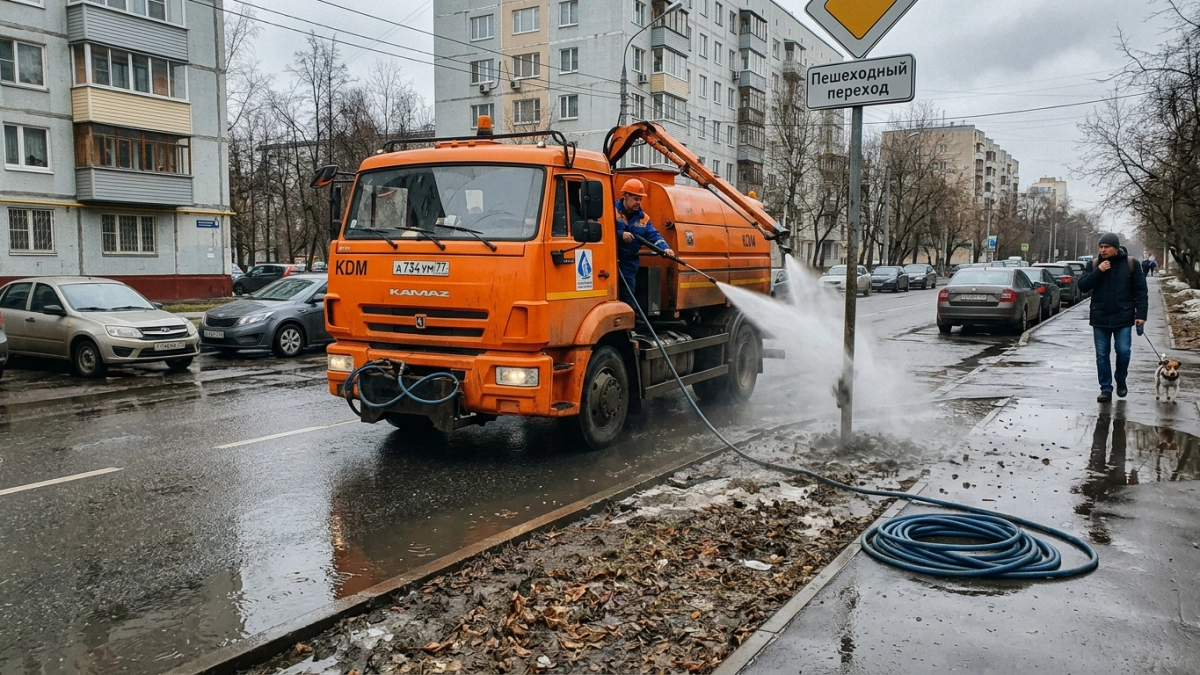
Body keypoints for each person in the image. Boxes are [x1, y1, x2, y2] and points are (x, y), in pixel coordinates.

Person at [1077, 233, 1148, 402]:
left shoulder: (1131, 264)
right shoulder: (1094, 264)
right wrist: (1098, 272)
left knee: (1123, 351)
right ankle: (1106, 389)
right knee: (1102, 354)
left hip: (1123, 315)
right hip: (1100, 316)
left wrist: (1141, 315)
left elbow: (1141, 292)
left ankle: (1121, 378)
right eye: (1101, 247)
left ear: (1116, 248)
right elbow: (1083, 286)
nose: (1103, 250)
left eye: (1106, 247)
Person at [614, 178, 674, 309]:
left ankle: (631, 320)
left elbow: (654, 235)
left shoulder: (644, 219)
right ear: (625, 195)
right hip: (609, 260)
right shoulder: (611, 211)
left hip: (628, 262)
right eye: (635, 199)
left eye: (640, 199)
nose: (638, 202)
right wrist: (620, 234)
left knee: (628, 294)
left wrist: (665, 248)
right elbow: (602, 229)